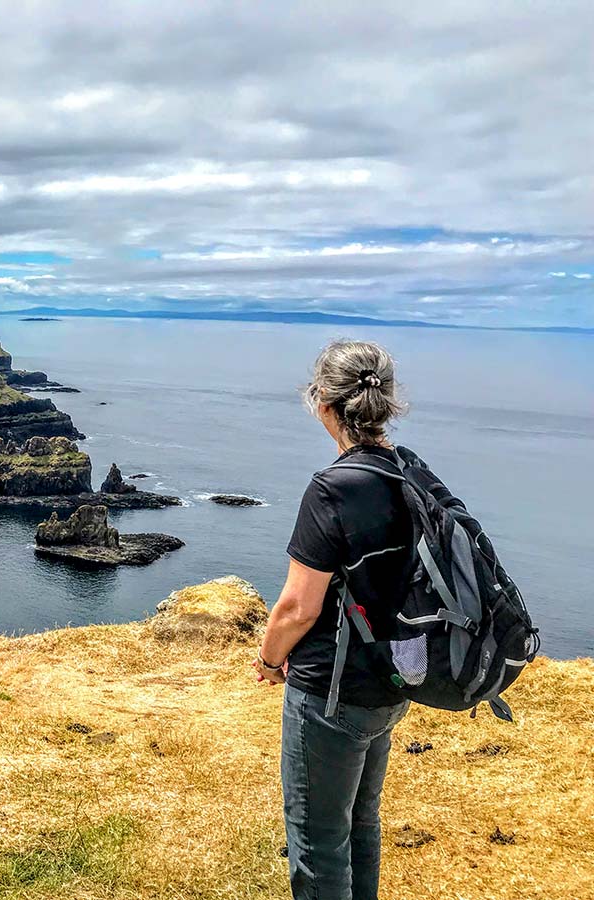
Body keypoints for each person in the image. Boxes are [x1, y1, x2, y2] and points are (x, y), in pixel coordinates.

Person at [253, 339, 429, 900]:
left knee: (318, 840)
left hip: (330, 693)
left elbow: (297, 607)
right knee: (361, 822)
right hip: (393, 680)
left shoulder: (332, 488)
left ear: (323, 401)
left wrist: (269, 659)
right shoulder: (409, 473)